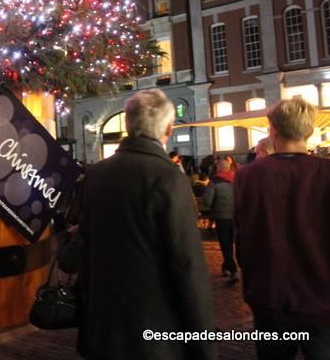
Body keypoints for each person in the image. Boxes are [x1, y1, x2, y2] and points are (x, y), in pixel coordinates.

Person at [80, 89, 216, 360]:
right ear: (168, 128)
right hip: (153, 332)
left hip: (103, 327)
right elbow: (187, 265)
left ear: (128, 124)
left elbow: (84, 249)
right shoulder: (167, 178)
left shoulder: (96, 175)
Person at [235, 98, 330, 360]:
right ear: (309, 130)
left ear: (272, 129)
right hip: (322, 296)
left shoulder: (248, 176)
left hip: (270, 294)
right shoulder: (325, 172)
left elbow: (243, 236)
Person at [201, 159, 238, 284]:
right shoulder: (237, 180)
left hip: (221, 218)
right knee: (237, 244)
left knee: (225, 244)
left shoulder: (214, 182)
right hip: (237, 217)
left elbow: (207, 201)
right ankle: (228, 267)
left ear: (218, 168)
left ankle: (232, 270)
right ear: (229, 168)